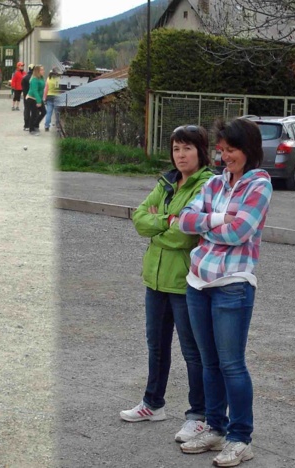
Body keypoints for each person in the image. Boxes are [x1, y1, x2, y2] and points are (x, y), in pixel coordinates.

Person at [176, 118, 272, 467]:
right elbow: (184, 219)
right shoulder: (215, 183)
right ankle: (215, 427)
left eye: (231, 150)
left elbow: (241, 232)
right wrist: (220, 219)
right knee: (208, 362)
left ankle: (240, 437)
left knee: (232, 364)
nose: (224, 155)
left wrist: (208, 224)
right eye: (222, 149)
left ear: (248, 150)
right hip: (197, 282)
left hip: (232, 284)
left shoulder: (259, 184)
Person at [120, 125, 214, 445]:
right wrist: (166, 221)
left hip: (187, 282)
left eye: (187, 148)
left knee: (193, 351)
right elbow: (139, 218)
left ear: (201, 151)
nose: (181, 155)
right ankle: (152, 404)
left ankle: (198, 416)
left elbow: (186, 234)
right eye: (176, 149)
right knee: (157, 346)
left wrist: (163, 225)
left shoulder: (207, 186)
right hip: (156, 278)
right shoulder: (168, 181)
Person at [25, 65, 45, 135]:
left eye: (43, 70)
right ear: (37, 71)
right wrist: (38, 101)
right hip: (32, 98)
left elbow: (41, 90)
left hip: (38, 98)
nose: (43, 71)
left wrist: (41, 99)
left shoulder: (41, 78)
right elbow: (35, 90)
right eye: (42, 70)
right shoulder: (34, 79)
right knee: (34, 114)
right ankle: (31, 129)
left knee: (44, 112)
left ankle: (36, 125)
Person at [21, 65, 34, 130]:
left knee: (27, 110)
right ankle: (33, 125)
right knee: (34, 111)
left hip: (26, 96)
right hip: (34, 96)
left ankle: (26, 125)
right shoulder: (35, 78)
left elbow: (22, 87)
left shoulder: (24, 77)